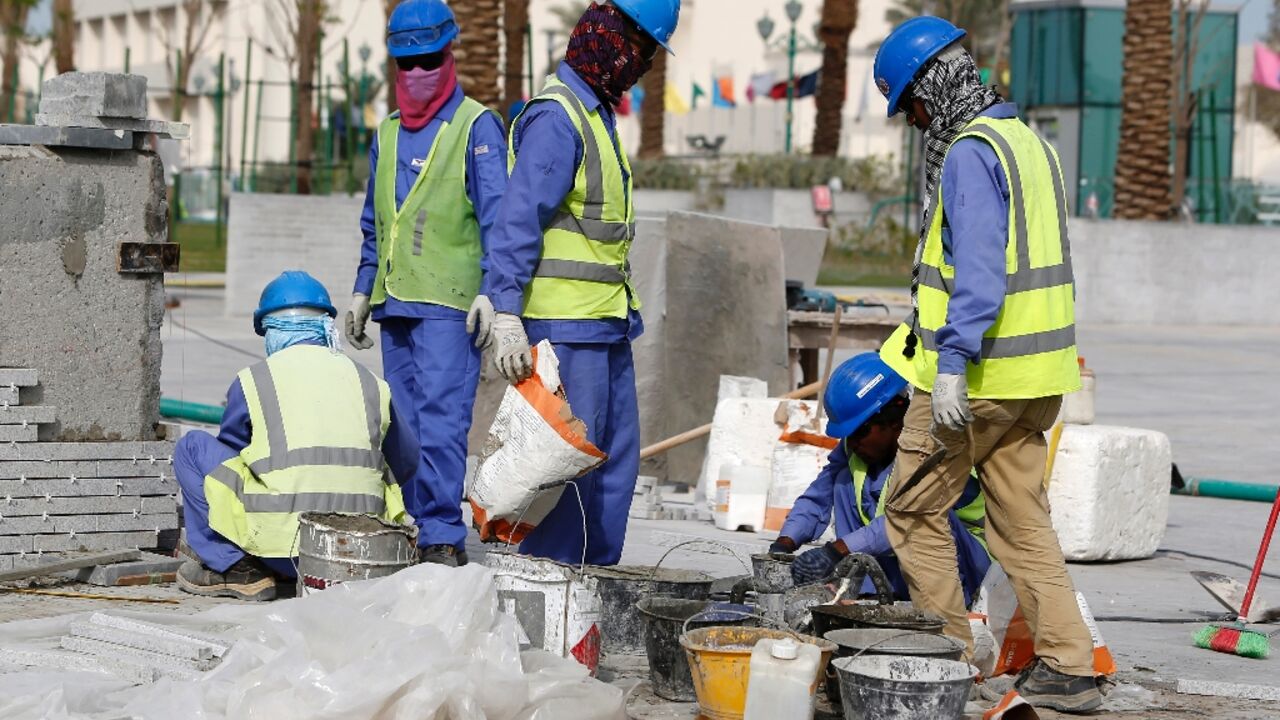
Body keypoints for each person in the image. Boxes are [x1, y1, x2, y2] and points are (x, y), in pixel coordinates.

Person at [872, 18, 1099, 713]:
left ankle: (942, 656)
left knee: (910, 508)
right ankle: (1070, 666)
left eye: (911, 107)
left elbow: (978, 271)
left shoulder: (971, 152)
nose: (914, 124)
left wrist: (951, 363)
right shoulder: (1029, 142)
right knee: (1020, 520)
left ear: (931, 88)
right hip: (1038, 380)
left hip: (978, 381)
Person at [475, 0, 680, 566]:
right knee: (566, 467)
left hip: (606, 324)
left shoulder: (595, 114)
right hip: (566, 329)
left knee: (613, 466)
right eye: (641, 50)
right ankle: (558, 589)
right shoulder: (558, 117)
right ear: (611, 37)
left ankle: (597, 582)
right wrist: (507, 312)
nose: (643, 66)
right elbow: (518, 220)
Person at [344, 0, 508, 566]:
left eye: (429, 60)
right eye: (406, 64)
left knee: (442, 423)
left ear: (449, 54)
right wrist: (365, 288)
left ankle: (441, 535)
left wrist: (496, 291)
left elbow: (499, 219)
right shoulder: (387, 134)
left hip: (450, 306)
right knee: (405, 428)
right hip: (397, 303)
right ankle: (417, 524)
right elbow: (375, 219)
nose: (417, 74)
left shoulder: (476, 126)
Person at [173, 272, 417, 601]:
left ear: (270, 330)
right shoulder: (370, 382)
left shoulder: (254, 380)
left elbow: (233, 457)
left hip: (278, 550)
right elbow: (408, 459)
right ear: (325, 327)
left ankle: (234, 568)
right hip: (356, 552)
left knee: (192, 448)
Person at [770, 353, 990, 605]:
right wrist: (784, 544)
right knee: (841, 482)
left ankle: (946, 605)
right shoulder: (855, 449)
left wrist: (835, 551)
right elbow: (818, 496)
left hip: (967, 562)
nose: (852, 442)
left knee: (932, 513)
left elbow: (909, 519)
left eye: (860, 432)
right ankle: (867, 592)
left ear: (894, 422)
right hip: (904, 558)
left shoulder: (934, 446)